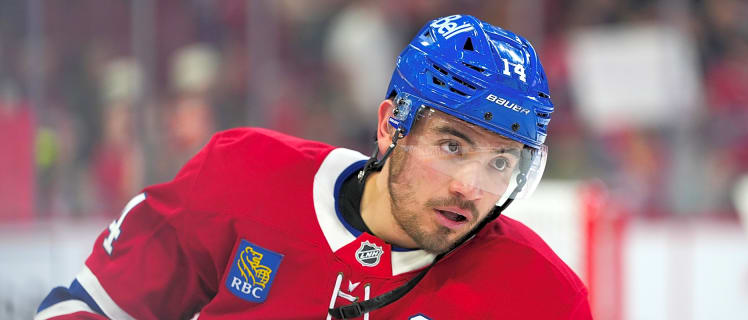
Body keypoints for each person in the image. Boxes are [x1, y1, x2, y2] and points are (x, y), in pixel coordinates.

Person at [35, 15, 591, 319]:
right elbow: (86, 309)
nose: (472, 186)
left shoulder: (541, 297)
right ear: (389, 126)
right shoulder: (242, 177)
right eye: (452, 145)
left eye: (501, 162)